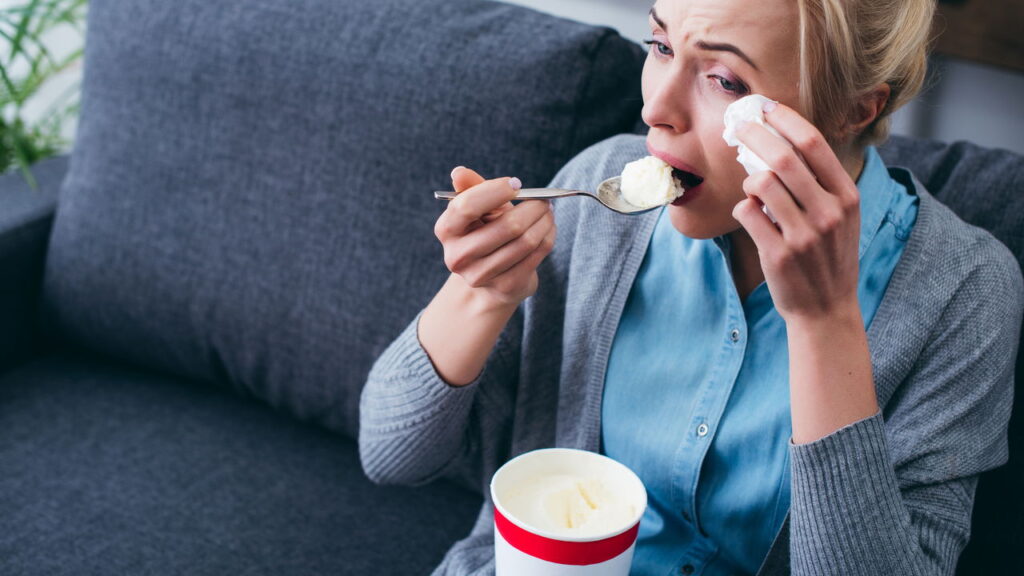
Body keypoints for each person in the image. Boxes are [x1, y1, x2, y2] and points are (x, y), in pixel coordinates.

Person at [359, 0, 1024, 574]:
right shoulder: (598, 202)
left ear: (854, 108)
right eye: (660, 45)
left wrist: (825, 323)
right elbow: (390, 453)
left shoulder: (964, 292)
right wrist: (480, 291)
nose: (655, 107)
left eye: (724, 78)